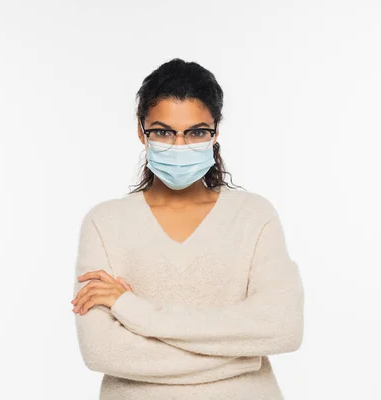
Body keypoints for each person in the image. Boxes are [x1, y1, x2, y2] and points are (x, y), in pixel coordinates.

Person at [70, 58, 304, 400]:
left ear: (215, 132)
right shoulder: (104, 223)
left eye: (196, 132)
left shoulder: (254, 216)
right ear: (141, 131)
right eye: (163, 131)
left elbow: (283, 327)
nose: (180, 145)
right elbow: (103, 351)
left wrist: (132, 309)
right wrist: (240, 357)